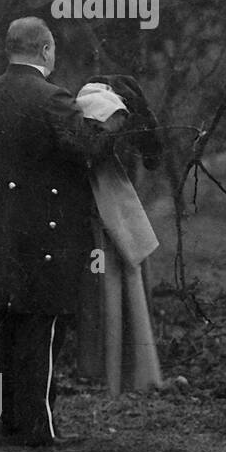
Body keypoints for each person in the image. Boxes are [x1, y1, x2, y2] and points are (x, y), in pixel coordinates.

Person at [0, 17, 112, 446]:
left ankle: (11, 422)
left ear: (11, 49)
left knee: (10, 328)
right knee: (43, 331)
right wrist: (111, 118)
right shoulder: (53, 98)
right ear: (45, 50)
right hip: (49, 236)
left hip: (2, 231)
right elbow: (88, 146)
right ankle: (38, 428)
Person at [73, 75, 163, 395]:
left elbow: (151, 153)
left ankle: (121, 372)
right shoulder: (88, 111)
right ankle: (118, 372)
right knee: (115, 286)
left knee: (120, 285)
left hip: (114, 210)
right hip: (104, 211)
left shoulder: (112, 105)